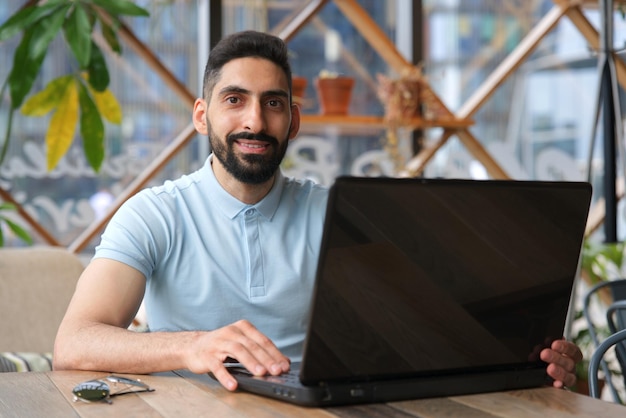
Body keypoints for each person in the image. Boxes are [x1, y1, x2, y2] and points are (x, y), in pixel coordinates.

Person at [54, 30, 583, 392]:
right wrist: (194, 346)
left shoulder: (336, 212)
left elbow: (426, 334)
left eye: (274, 103)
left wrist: (535, 360)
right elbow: (74, 343)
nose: (255, 122)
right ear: (202, 115)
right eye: (234, 100)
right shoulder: (153, 214)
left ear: (294, 120)